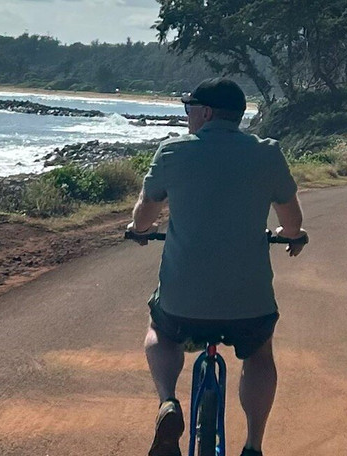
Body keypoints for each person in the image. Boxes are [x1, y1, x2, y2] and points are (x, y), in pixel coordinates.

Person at [128, 77, 306, 456]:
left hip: (182, 304)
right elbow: (292, 221)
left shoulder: (172, 152)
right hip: (249, 304)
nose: (187, 115)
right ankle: (253, 445)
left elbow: (145, 213)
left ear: (205, 112)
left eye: (188, 108)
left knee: (160, 329)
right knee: (259, 353)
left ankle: (167, 402)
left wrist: (140, 230)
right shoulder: (267, 153)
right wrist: (291, 235)